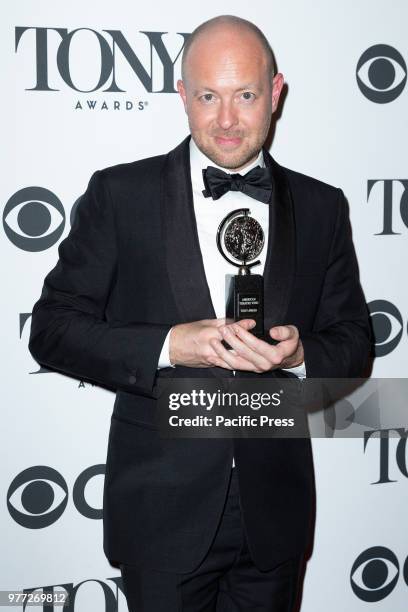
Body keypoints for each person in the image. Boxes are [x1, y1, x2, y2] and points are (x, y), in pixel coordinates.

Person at [28, 14, 370, 612]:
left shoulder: (322, 207)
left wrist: (300, 351)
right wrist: (169, 346)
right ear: (183, 95)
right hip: (162, 514)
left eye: (246, 95)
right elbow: (52, 329)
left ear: (276, 92)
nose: (228, 119)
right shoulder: (120, 196)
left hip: (276, 512)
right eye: (209, 96)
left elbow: (355, 342)